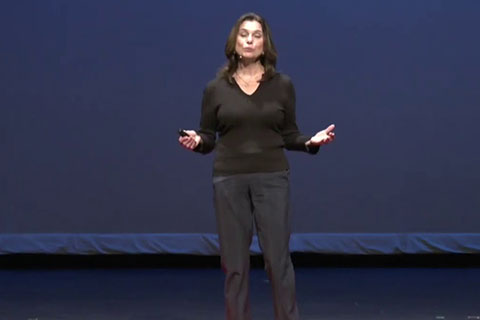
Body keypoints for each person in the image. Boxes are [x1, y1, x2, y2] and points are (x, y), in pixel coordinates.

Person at [179, 12, 335, 320]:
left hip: (272, 178)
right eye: (244, 35)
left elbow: (288, 134)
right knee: (234, 265)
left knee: (277, 262)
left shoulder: (282, 85)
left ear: (265, 45)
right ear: (234, 43)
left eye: (256, 35)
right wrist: (198, 140)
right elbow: (210, 136)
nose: (250, 40)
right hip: (229, 179)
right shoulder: (216, 88)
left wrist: (310, 142)